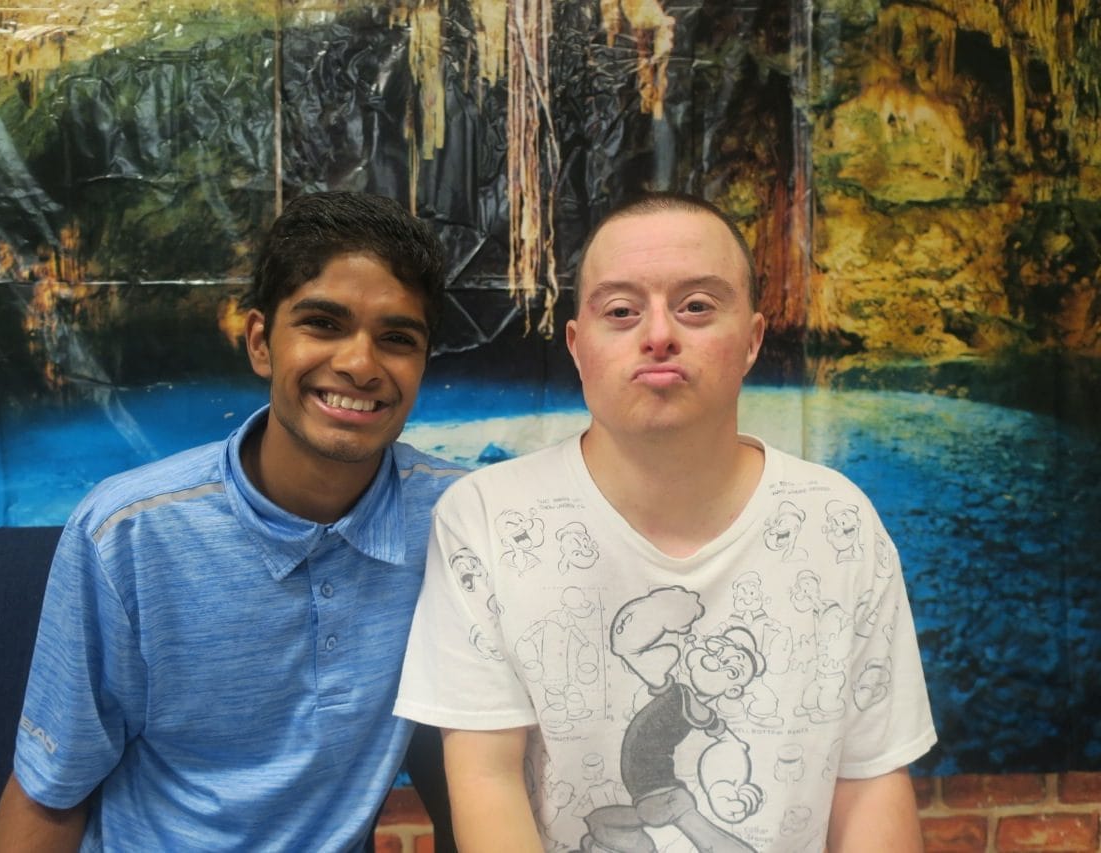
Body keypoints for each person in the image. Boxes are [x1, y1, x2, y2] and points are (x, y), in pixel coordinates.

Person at [395, 192, 936, 852]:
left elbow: (870, 781)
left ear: (752, 341)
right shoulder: (487, 520)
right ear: (577, 347)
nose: (658, 335)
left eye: (697, 306)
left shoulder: (837, 522)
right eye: (622, 311)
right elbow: (487, 779)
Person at [0, 191, 463, 851]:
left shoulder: (460, 520)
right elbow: (49, 796)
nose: (360, 364)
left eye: (397, 339)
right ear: (261, 342)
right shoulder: (128, 534)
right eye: (323, 324)